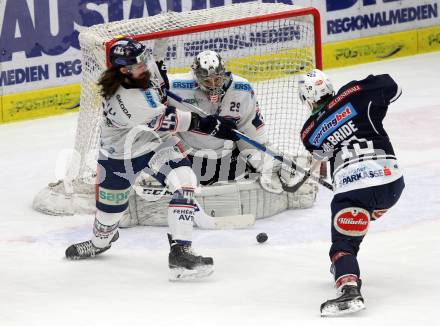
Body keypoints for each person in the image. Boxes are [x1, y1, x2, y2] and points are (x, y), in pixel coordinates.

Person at [65, 37, 239, 281]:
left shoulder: (141, 70)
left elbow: (160, 85)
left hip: (155, 143)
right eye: (139, 64)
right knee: (108, 218)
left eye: (144, 61)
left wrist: (159, 49)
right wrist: (212, 124)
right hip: (120, 155)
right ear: (124, 71)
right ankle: (99, 242)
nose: (144, 66)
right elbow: (170, 118)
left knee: (185, 181)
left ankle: (181, 252)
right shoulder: (125, 98)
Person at [298, 69, 405, 316]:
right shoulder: (355, 91)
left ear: (307, 99)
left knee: (343, 245)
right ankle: (347, 257)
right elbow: (392, 86)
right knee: (361, 214)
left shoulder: (308, 132)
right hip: (392, 183)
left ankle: (348, 285)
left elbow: (321, 157)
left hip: (354, 190)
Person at [168, 50, 287, 193]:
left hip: (228, 157)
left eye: (217, 79)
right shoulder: (175, 87)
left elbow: (252, 137)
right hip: (191, 156)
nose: (213, 85)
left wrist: (268, 166)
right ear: (196, 77)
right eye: (207, 81)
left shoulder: (242, 89)